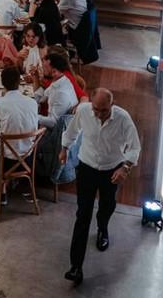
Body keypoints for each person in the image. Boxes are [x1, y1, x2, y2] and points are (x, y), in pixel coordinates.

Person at [61, 88, 142, 285]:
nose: (98, 114)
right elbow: (71, 132)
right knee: (83, 215)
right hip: (87, 168)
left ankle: (103, 227)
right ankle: (76, 267)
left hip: (111, 170)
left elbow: (134, 147)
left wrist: (125, 168)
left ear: (111, 106)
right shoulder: (84, 111)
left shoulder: (123, 119)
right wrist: (64, 149)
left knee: (107, 205)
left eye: (103, 110)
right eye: (96, 109)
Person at [0, 66, 40, 203]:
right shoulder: (32, 103)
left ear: (2, 83)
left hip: (5, 161)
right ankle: (6, 187)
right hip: (27, 158)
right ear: (19, 82)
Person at [37, 50, 79, 128]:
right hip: (48, 121)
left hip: (56, 133)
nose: (42, 70)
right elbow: (45, 94)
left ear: (54, 71)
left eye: (45, 67)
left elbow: (53, 122)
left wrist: (33, 116)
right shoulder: (60, 80)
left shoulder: (60, 94)